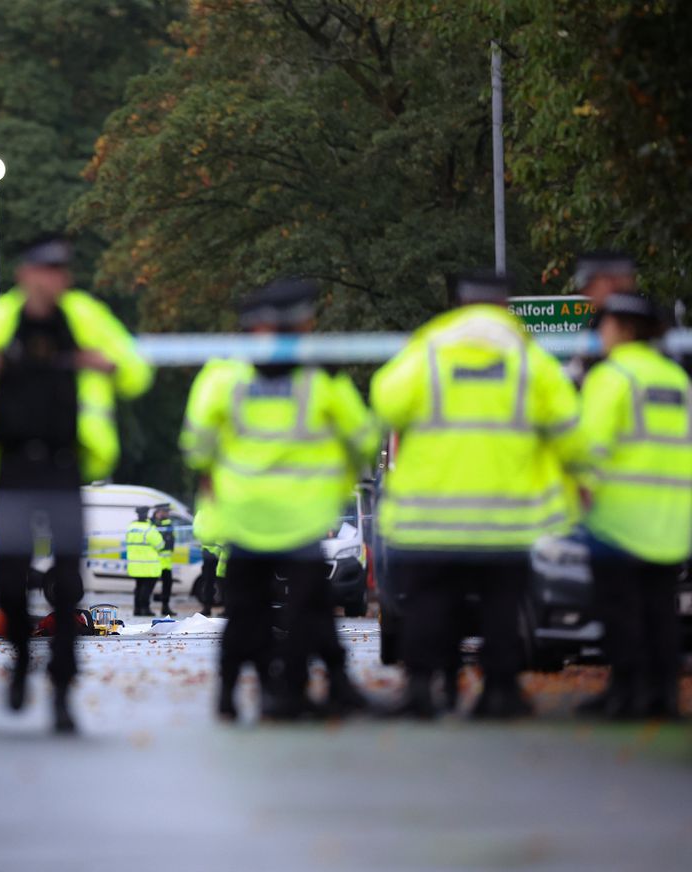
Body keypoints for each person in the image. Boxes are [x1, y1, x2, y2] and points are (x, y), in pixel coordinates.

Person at [0, 235, 153, 734]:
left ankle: (64, 691)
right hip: (11, 464)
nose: (53, 281)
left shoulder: (84, 315)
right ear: (25, 274)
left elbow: (136, 371)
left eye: (61, 272)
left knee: (68, 584)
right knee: (12, 579)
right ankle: (23, 659)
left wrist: (105, 363)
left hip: (65, 463)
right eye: (44, 271)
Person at [371, 271, 580, 719]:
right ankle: (500, 691)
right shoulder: (528, 359)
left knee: (430, 605)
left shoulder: (431, 348)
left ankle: (424, 690)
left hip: (431, 516)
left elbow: (386, 399)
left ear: (461, 304)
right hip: (504, 517)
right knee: (501, 608)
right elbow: (568, 424)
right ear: (505, 306)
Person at [181, 278, 378, 721]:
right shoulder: (321, 377)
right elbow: (363, 439)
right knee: (306, 609)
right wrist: (338, 476)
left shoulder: (222, 376)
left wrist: (212, 478)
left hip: (245, 517)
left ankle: (231, 695)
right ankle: (292, 692)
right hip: (302, 519)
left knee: (246, 613)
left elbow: (196, 444)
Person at [571, 292, 690, 719]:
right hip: (671, 519)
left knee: (619, 612)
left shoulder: (613, 376)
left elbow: (590, 447)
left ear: (623, 329)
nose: (599, 334)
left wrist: (578, 492)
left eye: (604, 325)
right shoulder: (675, 379)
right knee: (661, 611)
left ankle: (626, 693)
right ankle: (664, 696)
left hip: (619, 519)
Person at [567, 251, 638, 384]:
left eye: (590, 283)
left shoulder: (644, 321)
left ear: (612, 281)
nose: (585, 292)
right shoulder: (597, 321)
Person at [125, 506, 163, 617]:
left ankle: (137, 609)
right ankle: (145, 609)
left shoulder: (131, 527)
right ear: (146, 515)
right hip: (148, 565)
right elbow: (160, 545)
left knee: (138, 587)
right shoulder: (149, 529)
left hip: (135, 565)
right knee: (147, 588)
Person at [153, 504, 177, 616]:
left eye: (167, 512)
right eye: (164, 511)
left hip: (166, 562)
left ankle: (165, 607)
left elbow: (172, 539)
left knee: (167, 585)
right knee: (149, 585)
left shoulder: (169, 524)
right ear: (158, 512)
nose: (167, 514)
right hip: (154, 561)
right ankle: (144, 607)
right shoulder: (152, 523)